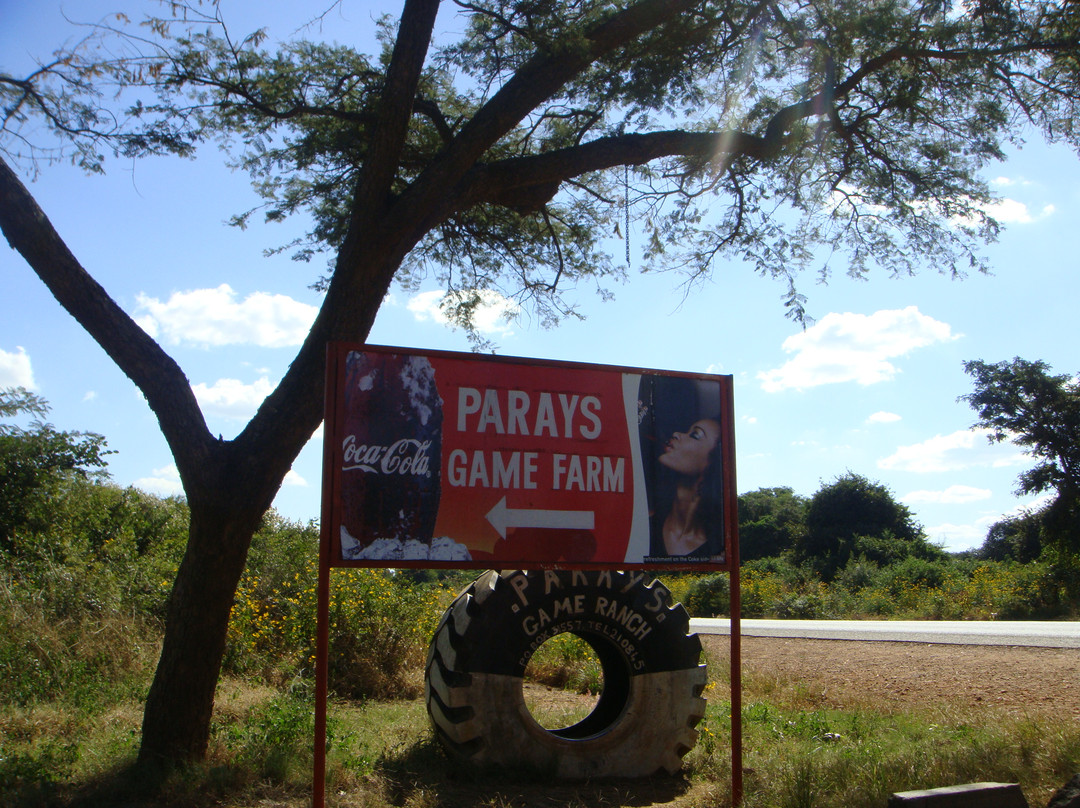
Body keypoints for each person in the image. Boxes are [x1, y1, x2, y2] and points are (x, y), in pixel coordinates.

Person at [654, 417, 723, 557]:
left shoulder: (716, 550)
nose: (676, 434)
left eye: (695, 435)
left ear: (712, 463)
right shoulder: (641, 527)